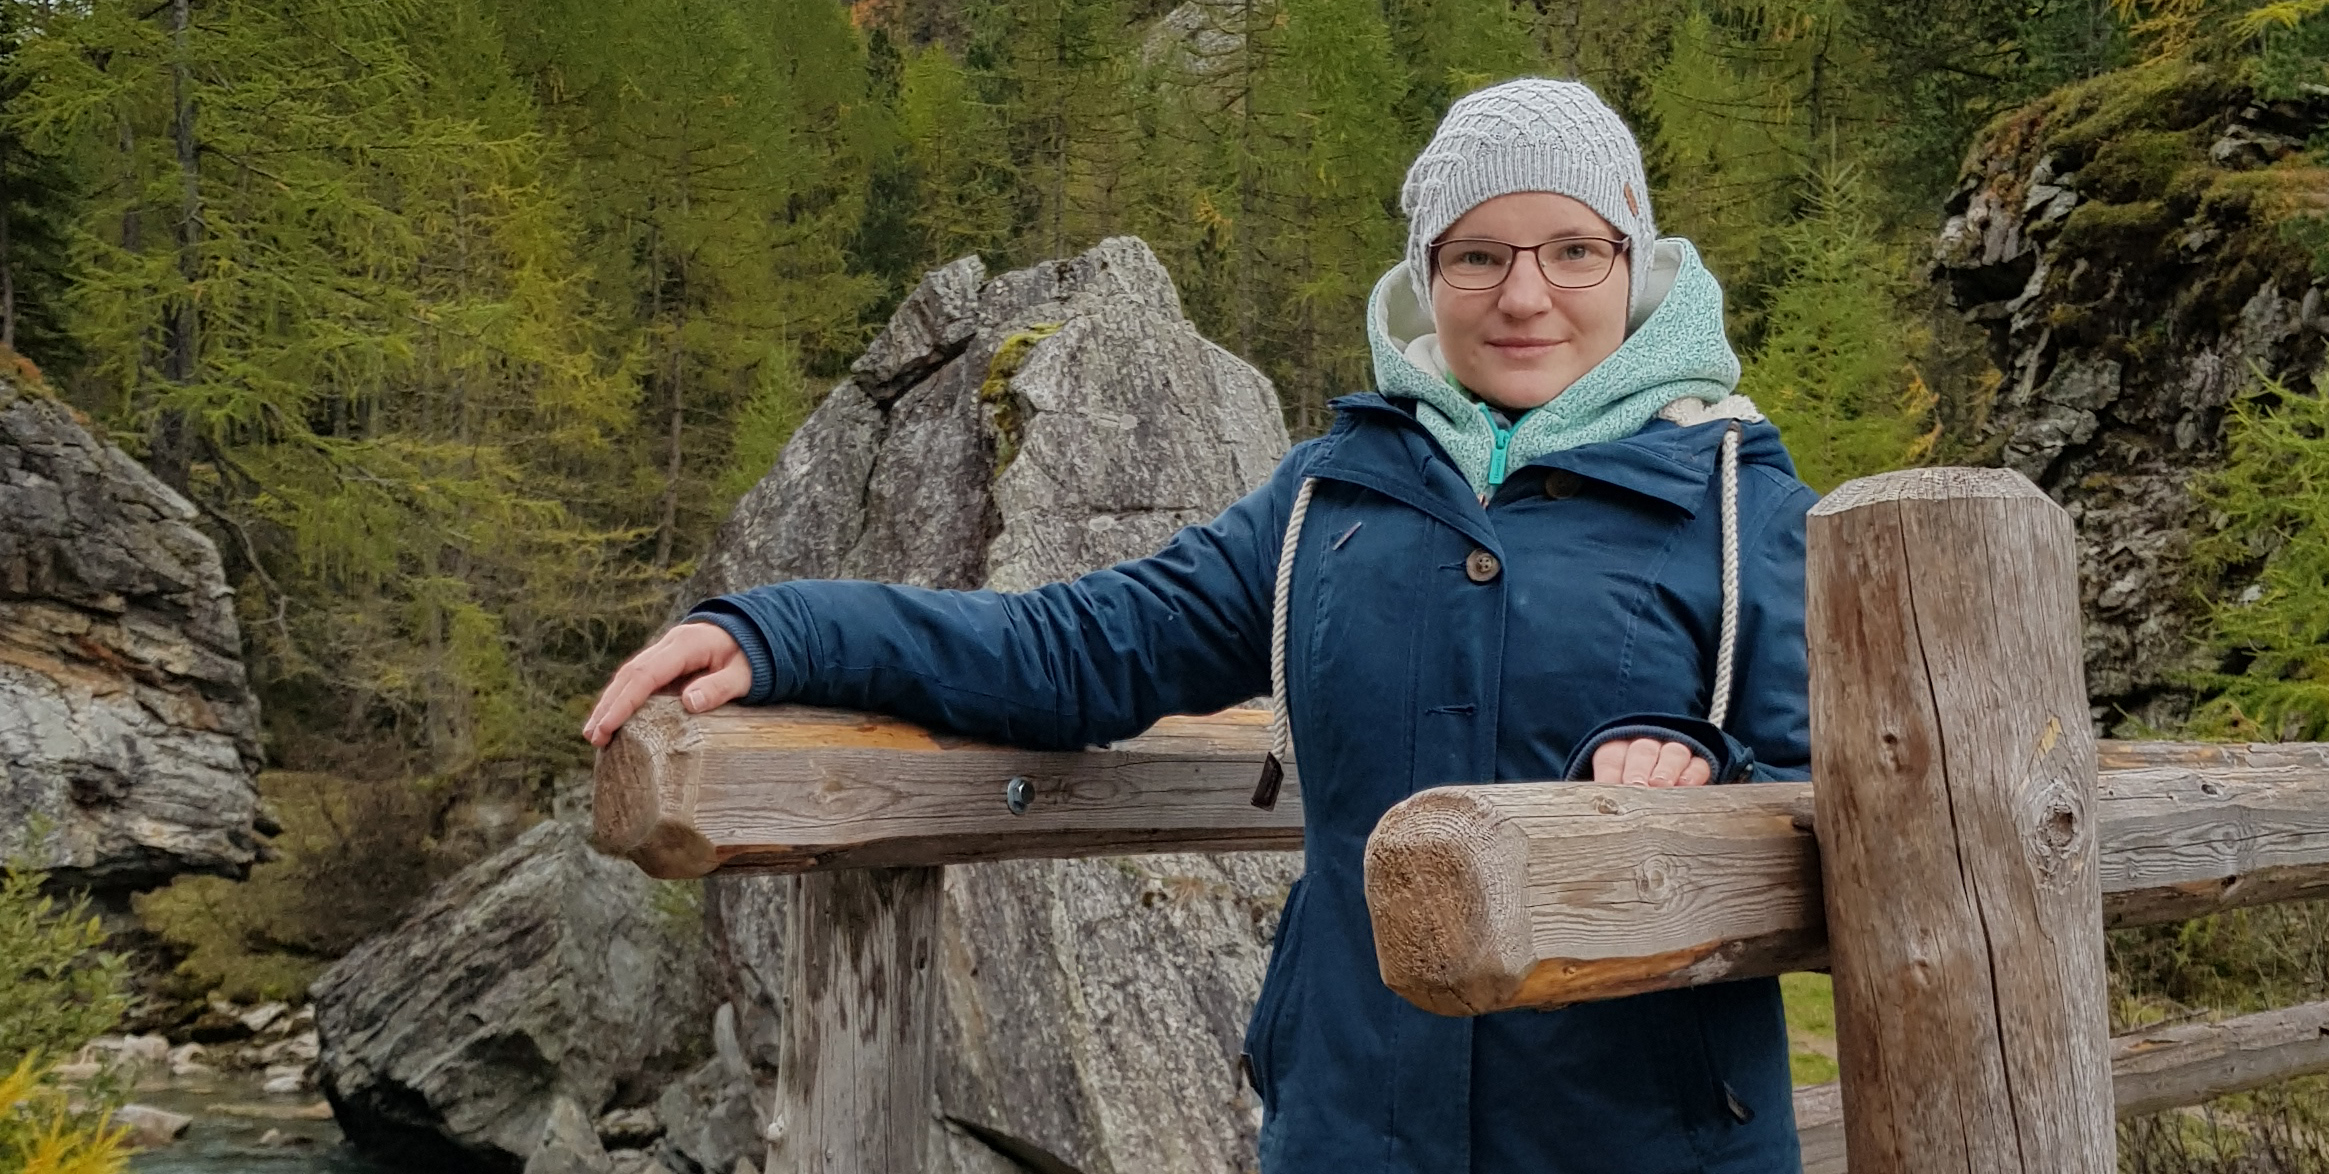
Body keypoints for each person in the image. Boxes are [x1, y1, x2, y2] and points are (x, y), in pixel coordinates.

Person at [584, 77, 1814, 1174]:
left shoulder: (1740, 510)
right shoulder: (1328, 502)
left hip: (1640, 1140)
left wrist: (1705, 778)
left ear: (1638, 263)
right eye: (1478, 255)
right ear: (1425, 276)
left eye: (1573, 251)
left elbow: (1847, 805)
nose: (1525, 295)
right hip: (1346, 1131)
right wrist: (787, 632)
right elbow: (1075, 651)